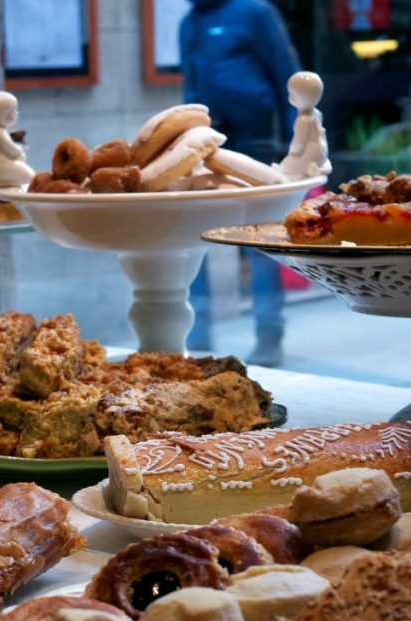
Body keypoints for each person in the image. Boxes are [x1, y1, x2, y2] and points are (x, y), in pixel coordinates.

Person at [180, 0, 301, 366]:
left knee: (258, 237)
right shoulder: (188, 22)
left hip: (257, 140)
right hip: (206, 145)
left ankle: (269, 336)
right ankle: (197, 335)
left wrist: (293, 142)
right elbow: (190, 86)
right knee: (192, 233)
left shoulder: (254, 12)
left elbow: (287, 75)